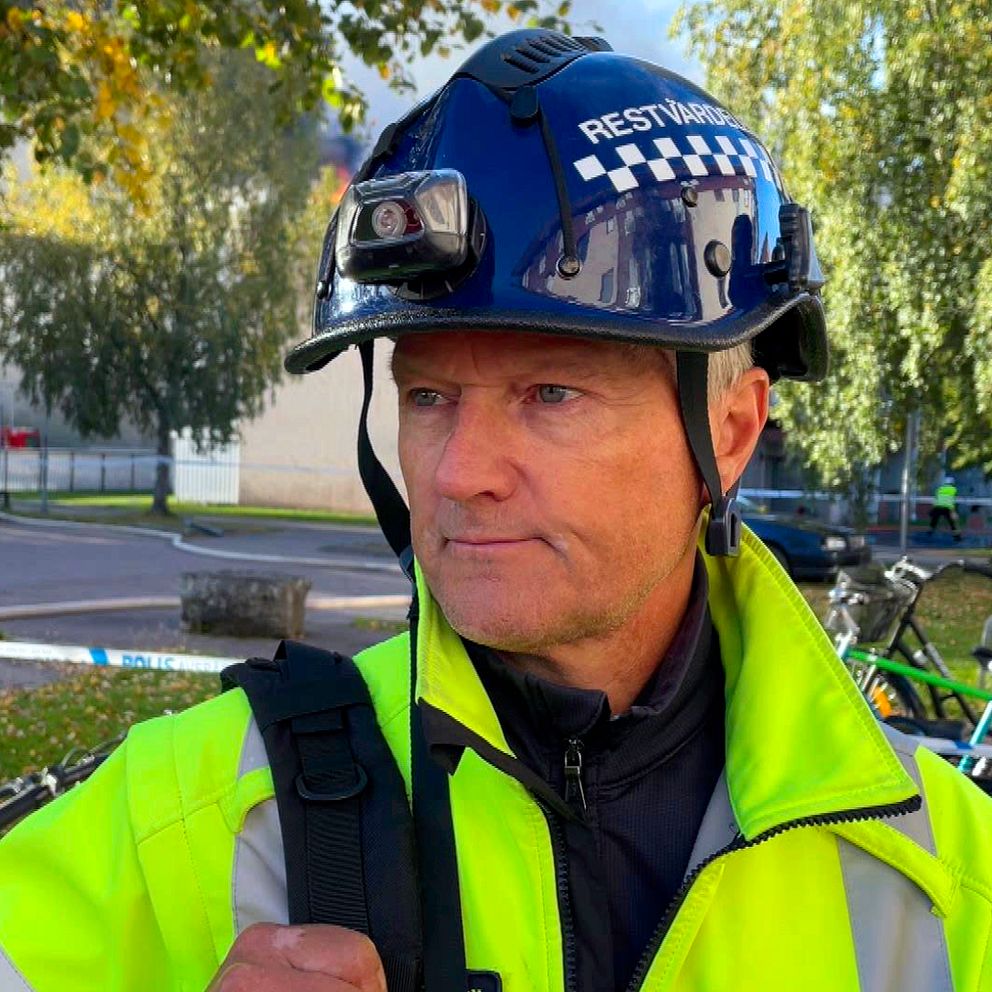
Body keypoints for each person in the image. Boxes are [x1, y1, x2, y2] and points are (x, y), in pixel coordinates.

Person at [1, 29, 991, 992]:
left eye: (550, 393)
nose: (459, 472)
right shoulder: (199, 806)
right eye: (429, 396)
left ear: (728, 433)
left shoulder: (949, 874)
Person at [930, 475, 962, 541]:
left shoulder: (939, 489)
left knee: (934, 520)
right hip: (947, 508)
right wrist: (954, 511)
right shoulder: (953, 489)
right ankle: (957, 536)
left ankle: (930, 532)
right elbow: (953, 499)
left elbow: (936, 498)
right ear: (952, 483)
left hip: (938, 507)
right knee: (952, 523)